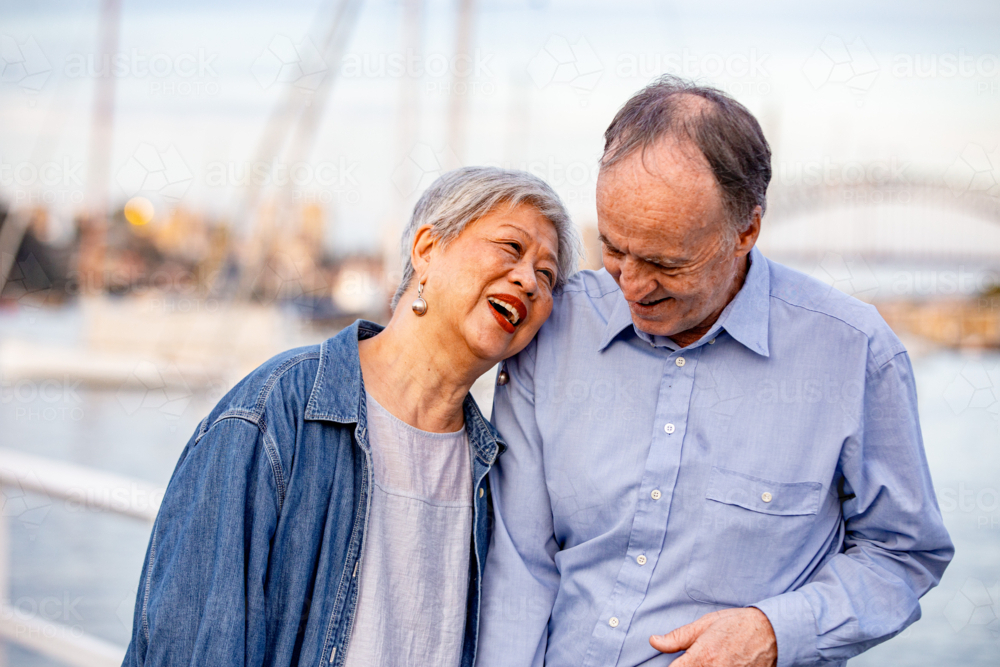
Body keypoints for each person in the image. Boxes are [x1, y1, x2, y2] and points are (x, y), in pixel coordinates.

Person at [475, 76, 954, 667]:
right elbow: (520, 563)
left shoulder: (855, 355)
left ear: (746, 230)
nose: (631, 284)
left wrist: (774, 631)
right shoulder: (552, 328)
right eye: (616, 249)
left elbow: (905, 554)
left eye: (666, 263)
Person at [121, 166, 581, 667]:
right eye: (511, 249)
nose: (529, 281)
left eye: (547, 274)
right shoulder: (275, 414)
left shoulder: (494, 470)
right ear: (427, 250)